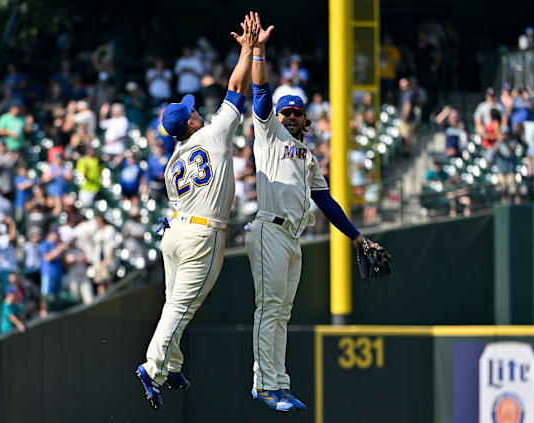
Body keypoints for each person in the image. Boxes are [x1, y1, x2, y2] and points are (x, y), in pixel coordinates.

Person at [245, 13, 373, 412]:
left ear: (306, 117)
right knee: (270, 310)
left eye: (296, 112)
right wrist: (260, 52)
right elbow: (261, 95)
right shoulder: (269, 133)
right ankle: (263, 384)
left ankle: (278, 383)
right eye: (286, 112)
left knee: (281, 313)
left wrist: (357, 235)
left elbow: (327, 202)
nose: (291, 117)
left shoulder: (307, 155)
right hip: (269, 230)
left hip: (292, 238)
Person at [135, 14, 257, 410]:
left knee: (175, 300)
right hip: (201, 236)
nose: (197, 111)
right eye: (192, 111)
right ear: (190, 121)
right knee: (181, 306)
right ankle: (153, 367)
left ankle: (170, 364)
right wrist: (247, 50)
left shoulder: (173, 160)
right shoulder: (213, 134)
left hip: (174, 234)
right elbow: (236, 88)